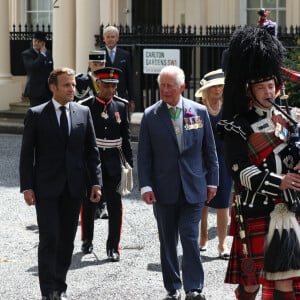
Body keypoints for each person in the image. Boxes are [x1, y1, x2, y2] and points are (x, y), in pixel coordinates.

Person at [218, 25, 300, 299]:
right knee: (251, 282)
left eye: (271, 86)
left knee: (286, 280)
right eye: (261, 87)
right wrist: (280, 181)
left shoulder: (291, 118)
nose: (268, 92)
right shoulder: (237, 125)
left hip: (289, 208)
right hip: (256, 208)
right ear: (248, 90)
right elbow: (239, 170)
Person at [19, 67, 102, 300]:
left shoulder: (83, 112)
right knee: (49, 238)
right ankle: (47, 292)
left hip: (74, 188)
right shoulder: (36, 114)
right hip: (45, 188)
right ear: (53, 87)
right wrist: (27, 187)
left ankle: (60, 287)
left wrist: (96, 183)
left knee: (66, 241)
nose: (72, 89)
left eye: (73, 85)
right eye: (67, 85)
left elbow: (91, 151)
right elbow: (27, 155)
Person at [137, 65, 219, 300]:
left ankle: (194, 287)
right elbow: (144, 155)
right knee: (168, 241)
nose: (165, 90)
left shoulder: (199, 111)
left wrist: (212, 182)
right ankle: (172, 288)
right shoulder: (150, 115)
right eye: (162, 85)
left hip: (194, 187)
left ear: (181, 87)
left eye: (170, 86)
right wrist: (146, 186)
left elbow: (209, 151)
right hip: (163, 190)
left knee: (190, 237)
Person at [79, 67, 133, 261]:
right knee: (89, 204)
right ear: (98, 84)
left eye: (114, 86)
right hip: (92, 163)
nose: (110, 90)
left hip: (113, 163)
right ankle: (87, 239)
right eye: (107, 85)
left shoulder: (121, 106)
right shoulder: (85, 106)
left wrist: (129, 165)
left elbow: (126, 137)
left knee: (115, 206)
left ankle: (113, 247)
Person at [195, 69, 232, 259]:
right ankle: (202, 238)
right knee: (203, 201)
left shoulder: (228, 108)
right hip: (203, 159)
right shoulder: (198, 109)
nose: (218, 89)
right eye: (214, 86)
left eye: (220, 86)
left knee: (223, 201)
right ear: (206, 89)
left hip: (224, 159)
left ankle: (222, 243)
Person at [75, 50, 109, 221]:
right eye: (95, 64)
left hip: (104, 130)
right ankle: (89, 203)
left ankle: (102, 205)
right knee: (88, 169)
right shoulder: (80, 81)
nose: (98, 67)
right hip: (87, 130)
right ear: (89, 64)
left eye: (101, 64)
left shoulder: (108, 80)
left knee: (103, 168)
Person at [101, 25, 135, 112]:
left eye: (113, 37)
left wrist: (131, 100)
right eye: (108, 37)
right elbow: (92, 74)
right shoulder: (98, 54)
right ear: (104, 39)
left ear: (117, 38)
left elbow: (130, 78)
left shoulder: (125, 55)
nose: (110, 39)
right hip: (103, 96)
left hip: (121, 96)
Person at [22, 31, 53, 107]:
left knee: (47, 113)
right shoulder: (27, 54)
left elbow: (50, 69)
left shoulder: (48, 53)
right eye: (35, 41)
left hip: (47, 90)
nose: (36, 43)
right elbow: (33, 67)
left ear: (43, 43)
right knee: (36, 114)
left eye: (38, 41)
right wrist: (42, 55)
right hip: (35, 90)